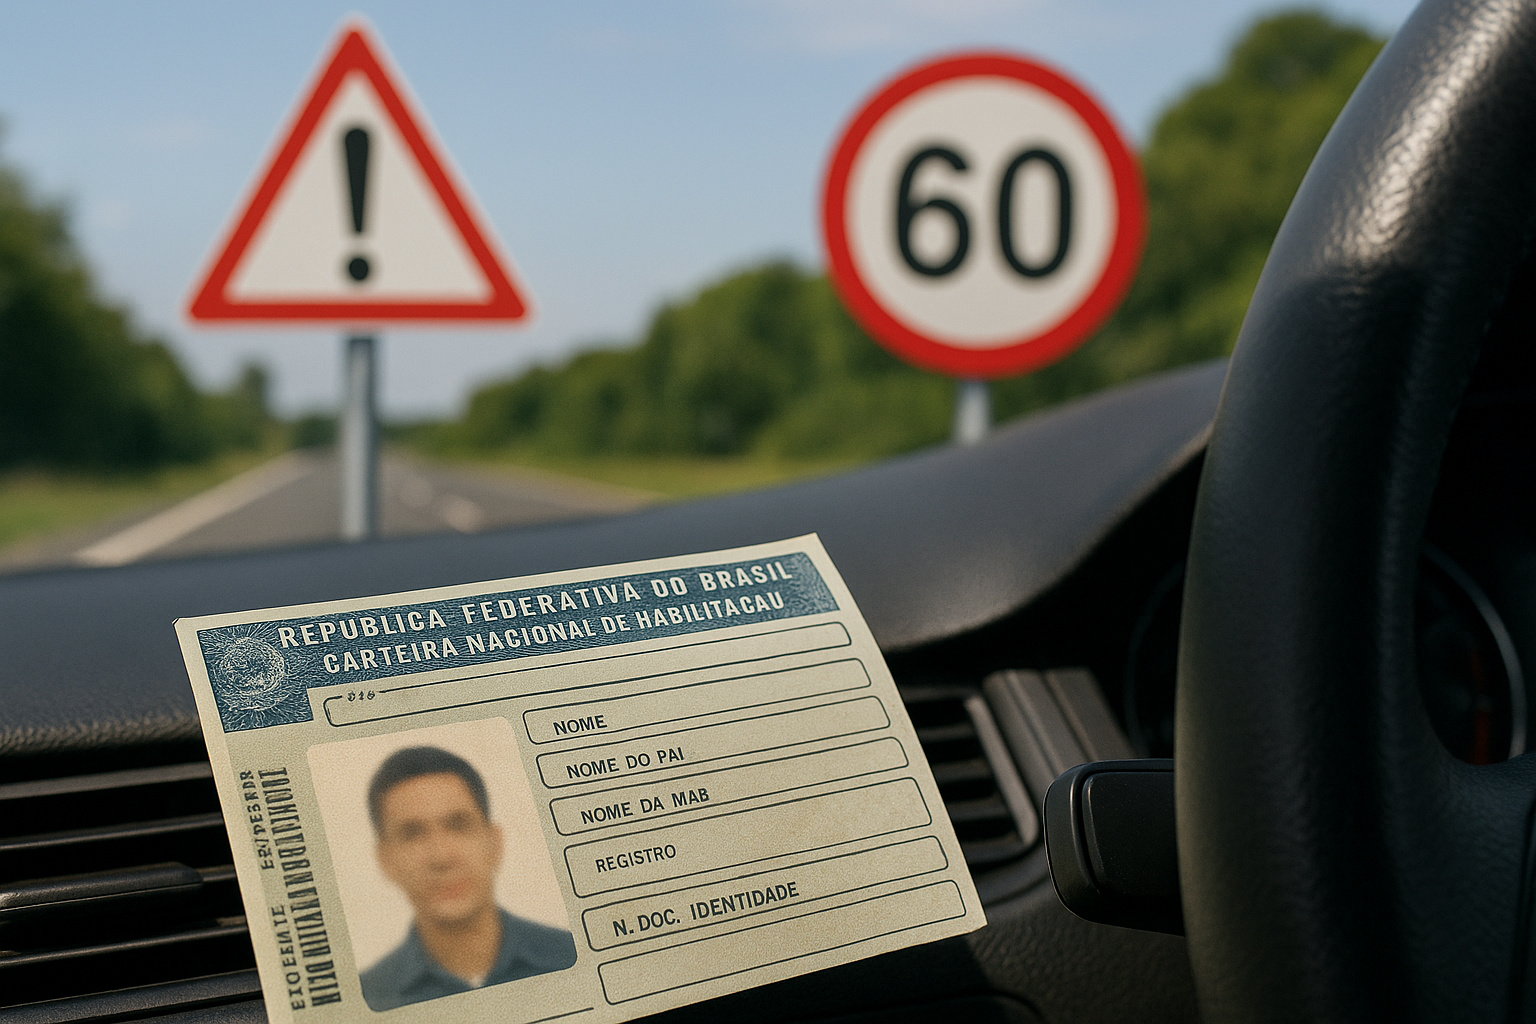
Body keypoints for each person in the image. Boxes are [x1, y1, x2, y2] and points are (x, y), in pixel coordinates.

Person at [358, 745, 577, 1010]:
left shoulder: (571, 954)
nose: (441, 857)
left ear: (494, 844)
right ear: (385, 860)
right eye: (412, 834)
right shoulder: (369, 998)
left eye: (458, 825)